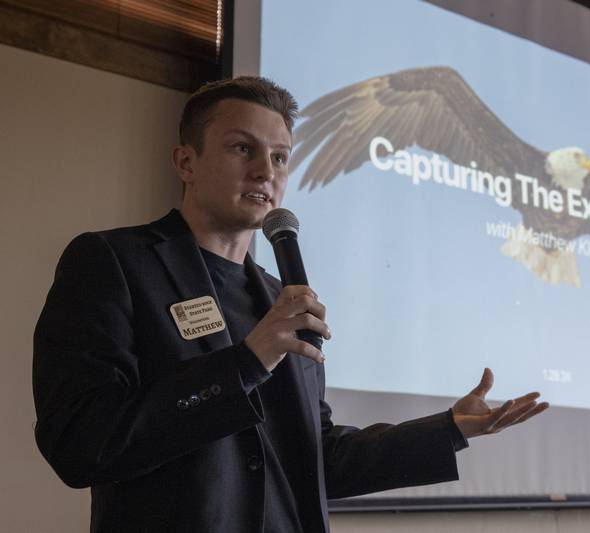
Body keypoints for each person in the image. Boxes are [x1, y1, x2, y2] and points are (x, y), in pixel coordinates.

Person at [33, 77, 548, 533]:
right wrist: (246, 363)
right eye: (242, 149)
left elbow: (319, 454)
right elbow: (81, 445)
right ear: (185, 161)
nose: (265, 171)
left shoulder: (284, 295)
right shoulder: (114, 263)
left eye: (279, 157)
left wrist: (448, 428)